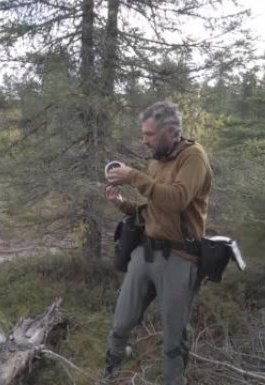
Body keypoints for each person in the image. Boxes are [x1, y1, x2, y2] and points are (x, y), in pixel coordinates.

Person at [103, 101, 212, 385]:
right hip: (146, 252)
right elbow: (154, 206)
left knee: (173, 337)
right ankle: (111, 371)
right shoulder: (156, 160)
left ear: (172, 133)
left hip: (179, 259)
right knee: (121, 323)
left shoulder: (194, 158)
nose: (144, 141)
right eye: (144, 134)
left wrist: (134, 177)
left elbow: (176, 200)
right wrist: (123, 203)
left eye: (149, 135)